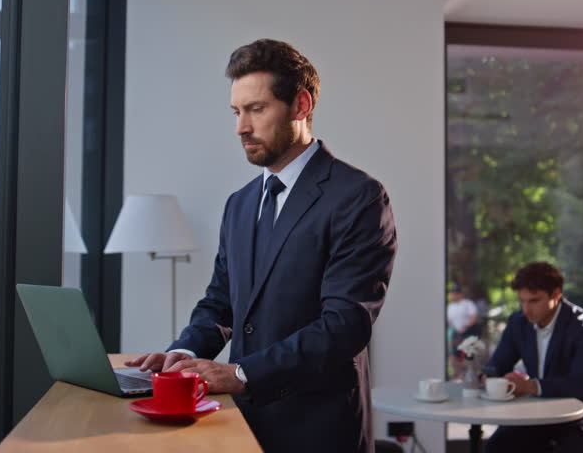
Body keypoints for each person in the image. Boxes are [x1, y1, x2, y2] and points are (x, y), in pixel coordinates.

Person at [125, 39, 398, 453]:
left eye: (256, 109)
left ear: (301, 105)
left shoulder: (358, 196)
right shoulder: (240, 203)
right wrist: (181, 354)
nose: (241, 127)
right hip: (242, 424)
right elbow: (220, 303)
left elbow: (346, 325)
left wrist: (242, 374)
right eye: (237, 112)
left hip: (320, 430)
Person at [483, 262, 583, 453]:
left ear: (556, 295)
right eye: (522, 301)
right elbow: (498, 364)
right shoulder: (518, 322)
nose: (526, 309)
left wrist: (529, 386)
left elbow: (580, 386)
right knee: (497, 446)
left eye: (534, 301)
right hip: (537, 414)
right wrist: (487, 376)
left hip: (580, 418)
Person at [447, 285, 480, 379]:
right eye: (452, 293)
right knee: (454, 356)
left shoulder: (467, 303)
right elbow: (450, 320)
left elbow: (474, 316)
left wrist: (466, 326)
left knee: (468, 356)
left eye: (455, 293)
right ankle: (459, 374)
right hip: (456, 333)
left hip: (468, 332)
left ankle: (472, 374)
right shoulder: (450, 306)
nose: (454, 295)